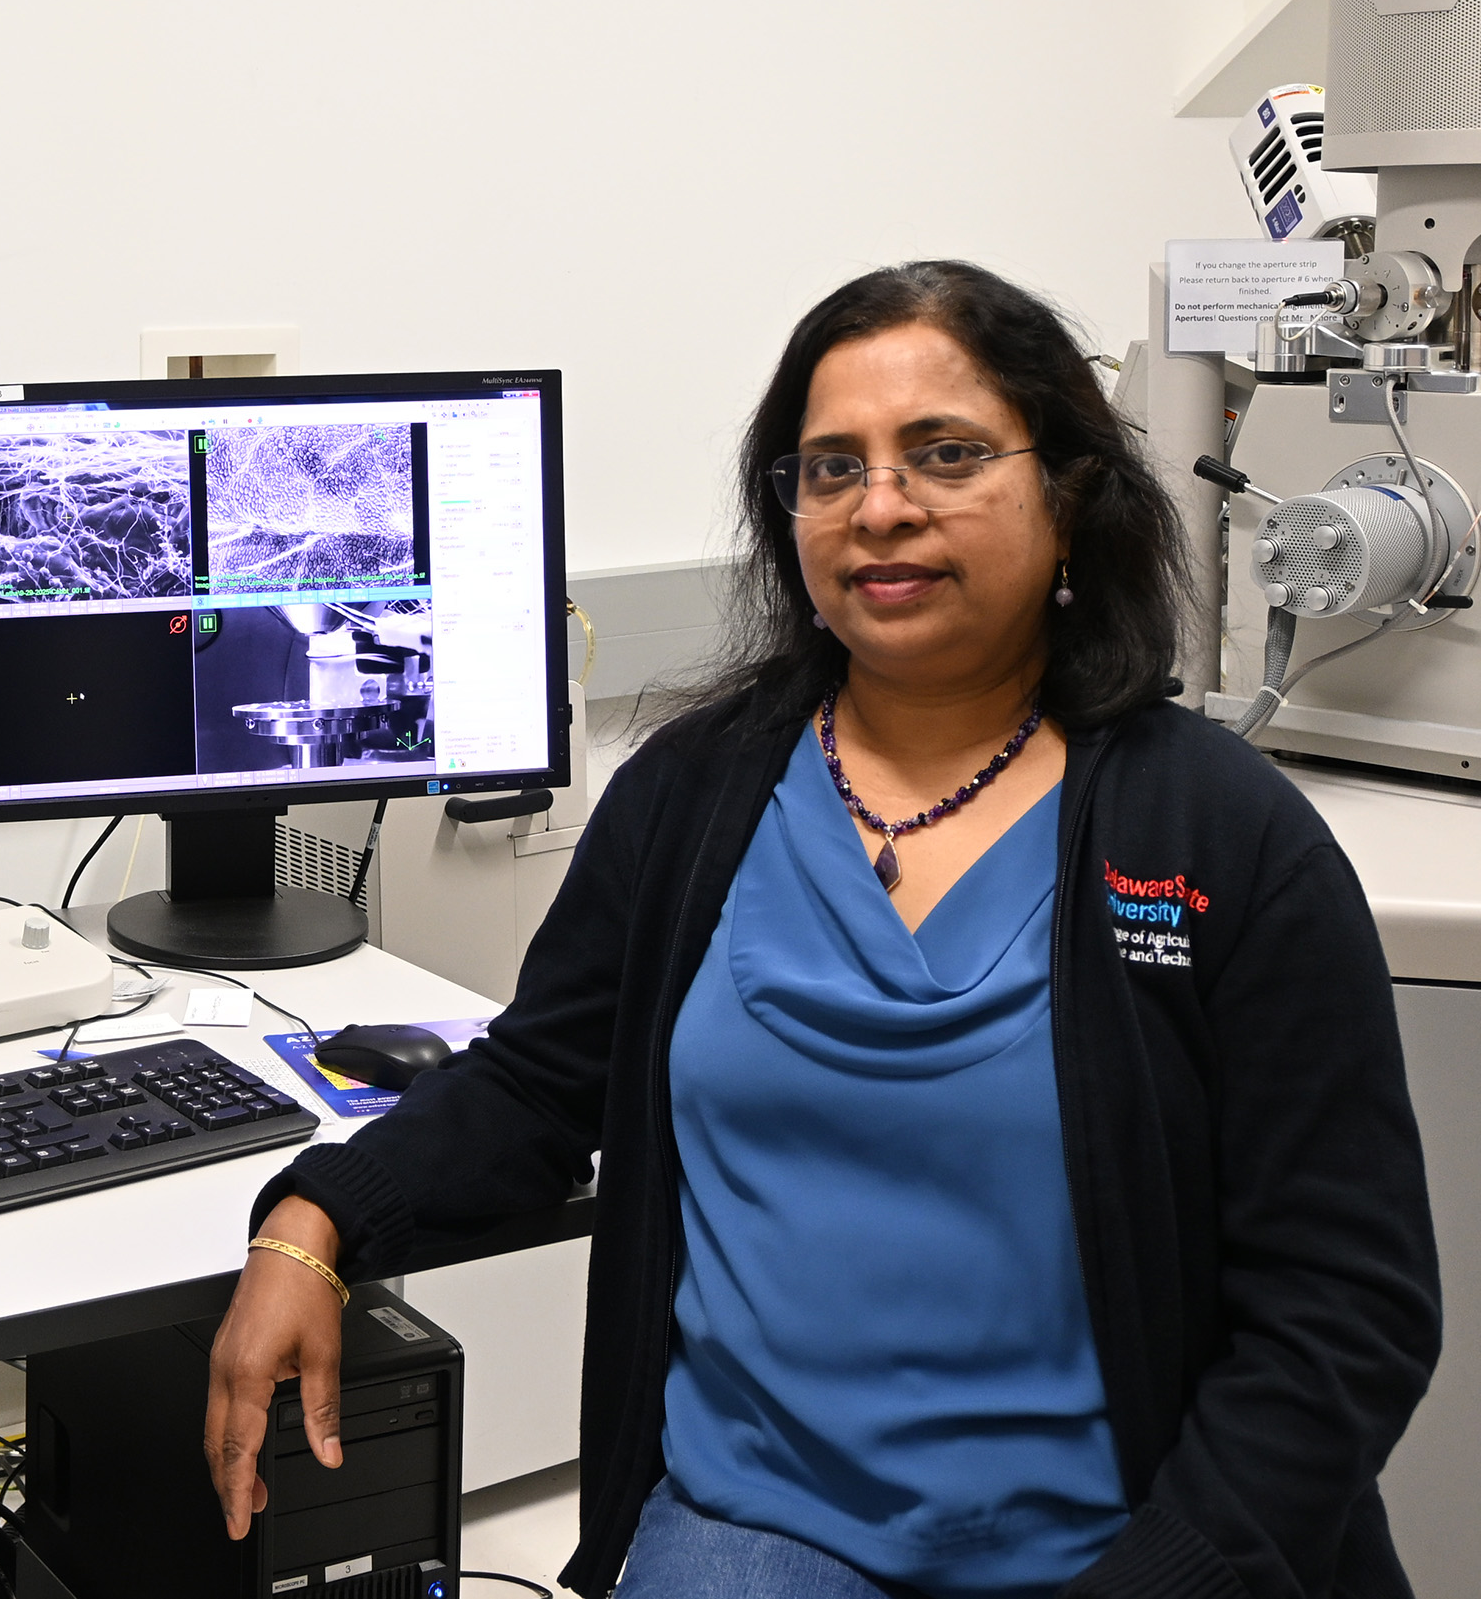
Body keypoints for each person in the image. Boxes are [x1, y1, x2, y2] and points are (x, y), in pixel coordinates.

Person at [204, 263, 1442, 1597]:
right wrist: (318, 1217)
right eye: (830, 468)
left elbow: (1346, 1306)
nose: (883, 507)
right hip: (761, 1523)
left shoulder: (1219, 836)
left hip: (1126, 1546)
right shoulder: (694, 793)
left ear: (1070, 493)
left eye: (947, 453)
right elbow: (538, 1079)